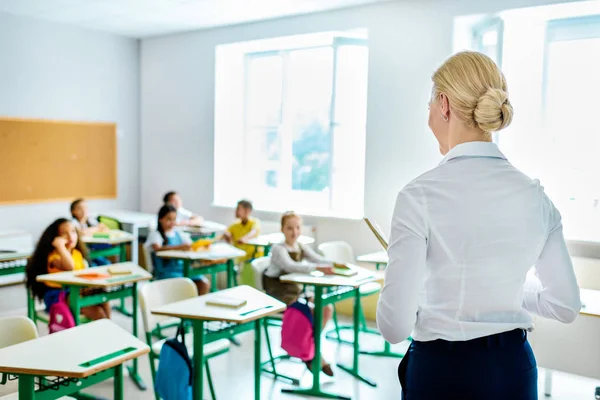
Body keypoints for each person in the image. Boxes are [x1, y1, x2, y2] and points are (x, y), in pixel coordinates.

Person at [376, 51, 581, 400]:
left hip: (444, 373)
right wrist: (507, 292)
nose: (428, 116)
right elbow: (565, 305)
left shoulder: (418, 196)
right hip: (515, 369)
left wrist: (416, 288)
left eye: (429, 105)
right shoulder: (535, 196)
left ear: (443, 105)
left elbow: (393, 327)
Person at [263, 211, 335, 376]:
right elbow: (291, 267)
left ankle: (311, 349)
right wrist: (317, 268)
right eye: (289, 228)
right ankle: (314, 355)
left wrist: (336, 264)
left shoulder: (300, 246)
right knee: (311, 311)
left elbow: (317, 258)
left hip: (296, 293)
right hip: (280, 295)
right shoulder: (278, 249)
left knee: (326, 308)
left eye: (297, 227)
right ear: (282, 229)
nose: (294, 232)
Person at [26, 218, 111, 320]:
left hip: (77, 291)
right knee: (97, 312)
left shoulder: (77, 253)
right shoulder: (53, 257)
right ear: (55, 238)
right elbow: (69, 266)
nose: (70, 236)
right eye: (63, 233)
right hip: (59, 296)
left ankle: (109, 327)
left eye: (73, 232)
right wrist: (60, 246)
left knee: (103, 297)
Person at [145, 205, 210, 295]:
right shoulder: (155, 234)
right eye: (168, 219)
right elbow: (158, 249)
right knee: (186, 285)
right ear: (160, 219)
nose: (172, 223)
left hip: (182, 269)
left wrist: (202, 246)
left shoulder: (179, 233)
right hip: (166, 271)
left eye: (174, 219)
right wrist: (180, 247)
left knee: (203, 283)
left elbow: (191, 245)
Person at [70, 198, 111, 266]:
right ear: (73, 211)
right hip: (83, 251)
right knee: (93, 266)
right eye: (80, 208)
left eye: (85, 208)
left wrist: (92, 230)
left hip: (95, 248)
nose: (83, 211)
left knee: (107, 263)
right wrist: (97, 229)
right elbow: (81, 233)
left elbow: (105, 228)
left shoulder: (90, 219)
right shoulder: (73, 222)